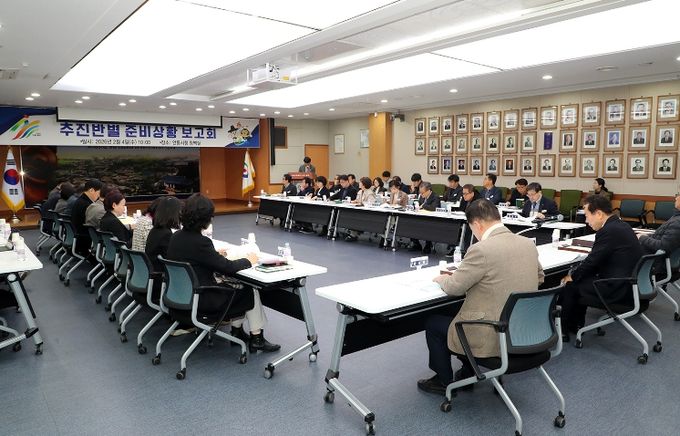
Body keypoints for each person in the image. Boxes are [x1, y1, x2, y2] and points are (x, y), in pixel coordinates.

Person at [417, 199, 544, 394]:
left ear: (477, 224)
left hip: (492, 334)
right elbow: (540, 277)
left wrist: (442, 279)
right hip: (522, 331)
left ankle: (443, 382)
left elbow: (454, 288)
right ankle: (468, 373)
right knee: (458, 311)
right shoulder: (527, 244)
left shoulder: (481, 249)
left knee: (434, 323)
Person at [166, 194, 279, 352]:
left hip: (180, 297)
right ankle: (256, 337)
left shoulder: (176, 237)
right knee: (249, 288)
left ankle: (237, 332)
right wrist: (249, 260)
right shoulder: (201, 242)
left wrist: (215, 256)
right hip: (203, 300)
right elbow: (228, 267)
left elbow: (198, 258)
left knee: (236, 285)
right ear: (205, 218)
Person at [560, 195, 643, 340]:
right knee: (581, 278)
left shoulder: (608, 231)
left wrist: (571, 276)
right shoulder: (621, 225)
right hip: (629, 283)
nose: (586, 221)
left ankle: (564, 330)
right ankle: (576, 325)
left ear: (598, 214)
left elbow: (592, 261)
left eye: (587, 216)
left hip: (617, 288)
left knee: (570, 285)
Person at [145, 196, 182, 305]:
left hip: (152, 277)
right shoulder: (166, 234)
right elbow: (173, 261)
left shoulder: (155, 230)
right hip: (161, 282)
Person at [71, 179, 103, 257]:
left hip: (77, 235)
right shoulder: (86, 204)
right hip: (84, 237)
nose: (99, 196)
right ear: (91, 190)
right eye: (99, 192)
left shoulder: (80, 200)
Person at [409, 182, 440, 254]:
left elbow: (434, 208)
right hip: (421, 217)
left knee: (427, 226)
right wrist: (415, 205)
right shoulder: (421, 196)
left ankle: (428, 245)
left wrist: (423, 206)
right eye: (420, 192)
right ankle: (416, 244)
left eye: (422, 193)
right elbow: (418, 204)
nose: (421, 194)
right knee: (411, 223)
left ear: (428, 191)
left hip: (432, 220)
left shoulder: (435, 197)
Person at [345, 178, 378, 242]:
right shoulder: (360, 191)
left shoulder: (370, 193)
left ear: (364, 184)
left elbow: (371, 204)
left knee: (355, 217)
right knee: (351, 215)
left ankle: (354, 234)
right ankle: (352, 233)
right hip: (360, 211)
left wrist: (360, 203)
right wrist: (354, 201)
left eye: (360, 182)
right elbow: (357, 200)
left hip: (367, 213)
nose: (359, 183)